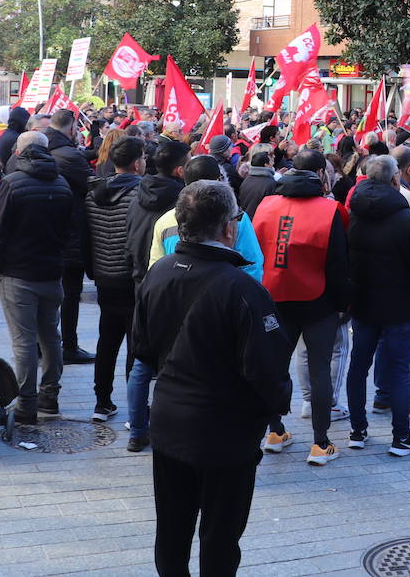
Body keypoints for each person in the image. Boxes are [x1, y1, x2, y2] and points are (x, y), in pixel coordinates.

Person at [130, 181, 292, 577]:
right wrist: (273, 409)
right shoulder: (243, 289)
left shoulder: (158, 272)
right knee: (220, 536)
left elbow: (143, 349)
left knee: (172, 530)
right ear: (227, 228)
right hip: (225, 433)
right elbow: (268, 371)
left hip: (170, 420)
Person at [254, 156, 350, 465]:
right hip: (318, 301)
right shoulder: (330, 210)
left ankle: (274, 431)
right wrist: (343, 305)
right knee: (319, 369)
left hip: (274, 297)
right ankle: (320, 443)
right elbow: (338, 265)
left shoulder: (266, 205)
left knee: (274, 366)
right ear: (321, 175)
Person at [343, 155, 410, 456]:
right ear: (395, 179)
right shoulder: (407, 218)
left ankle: (357, 430)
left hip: (363, 302)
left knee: (359, 366)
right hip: (399, 304)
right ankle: (401, 437)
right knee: (398, 369)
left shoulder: (353, 215)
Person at [0, 130, 74, 424]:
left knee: (24, 341)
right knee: (50, 336)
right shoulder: (62, 184)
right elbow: (68, 230)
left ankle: (26, 404)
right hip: (51, 271)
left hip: (18, 272)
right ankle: (49, 396)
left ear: (18, 152)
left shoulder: (12, 183)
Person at [85, 136, 145, 423]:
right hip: (130, 277)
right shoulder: (140, 195)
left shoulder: (92, 194)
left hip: (103, 276)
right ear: (136, 163)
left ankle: (102, 402)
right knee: (135, 344)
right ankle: (136, 409)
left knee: (107, 340)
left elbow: (86, 237)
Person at [45, 109, 95, 364]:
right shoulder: (68, 155)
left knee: (49, 294)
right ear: (72, 127)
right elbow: (93, 185)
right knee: (70, 293)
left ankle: (45, 345)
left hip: (46, 234)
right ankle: (69, 345)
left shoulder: (40, 149)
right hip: (70, 232)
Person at [127, 140, 191, 280]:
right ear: (180, 171)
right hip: (167, 277)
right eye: (189, 164)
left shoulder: (136, 196)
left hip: (140, 275)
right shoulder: (183, 204)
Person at [237, 144, 278, 218]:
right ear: (266, 165)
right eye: (271, 160)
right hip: (259, 220)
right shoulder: (270, 183)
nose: (274, 161)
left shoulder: (247, 179)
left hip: (246, 218)